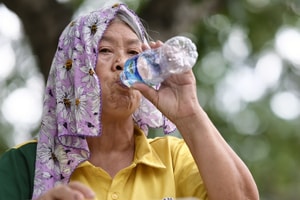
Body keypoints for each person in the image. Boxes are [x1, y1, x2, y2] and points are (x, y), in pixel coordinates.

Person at [0, 2, 259, 200]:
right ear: (73, 70)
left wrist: (189, 113)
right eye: (104, 50)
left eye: (134, 52)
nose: (122, 63)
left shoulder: (172, 157)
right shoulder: (24, 164)